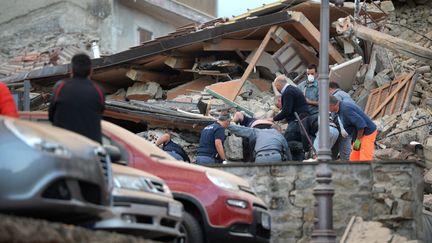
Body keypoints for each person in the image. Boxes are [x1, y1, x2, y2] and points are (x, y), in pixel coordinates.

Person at [49, 53, 105, 143]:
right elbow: (99, 114)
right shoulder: (98, 91)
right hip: (91, 149)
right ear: (91, 71)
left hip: (65, 147)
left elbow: (51, 116)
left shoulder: (60, 87)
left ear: (72, 70)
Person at [270, 75, 309, 161]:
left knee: (287, 141)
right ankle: (301, 159)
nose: (276, 88)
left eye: (276, 86)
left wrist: (273, 119)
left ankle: (297, 160)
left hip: (297, 120)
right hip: (301, 119)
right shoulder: (293, 89)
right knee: (296, 141)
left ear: (279, 85)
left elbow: (286, 110)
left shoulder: (288, 92)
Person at [329, 95, 377, 161]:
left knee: (365, 158)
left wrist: (358, 140)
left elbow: (361, 125)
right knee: (354, 158)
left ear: (331, 105)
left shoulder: (345, 110)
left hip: (367, 133)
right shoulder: (341, 108)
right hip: (359, 135)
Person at [329, 81, 354, 160]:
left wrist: (343, 128)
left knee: (344, 153)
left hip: (343, 126)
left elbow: (339, 112)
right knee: (336, 149)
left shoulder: (336, 96)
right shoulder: (345, 94)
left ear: (329, 89)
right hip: (350, 125)